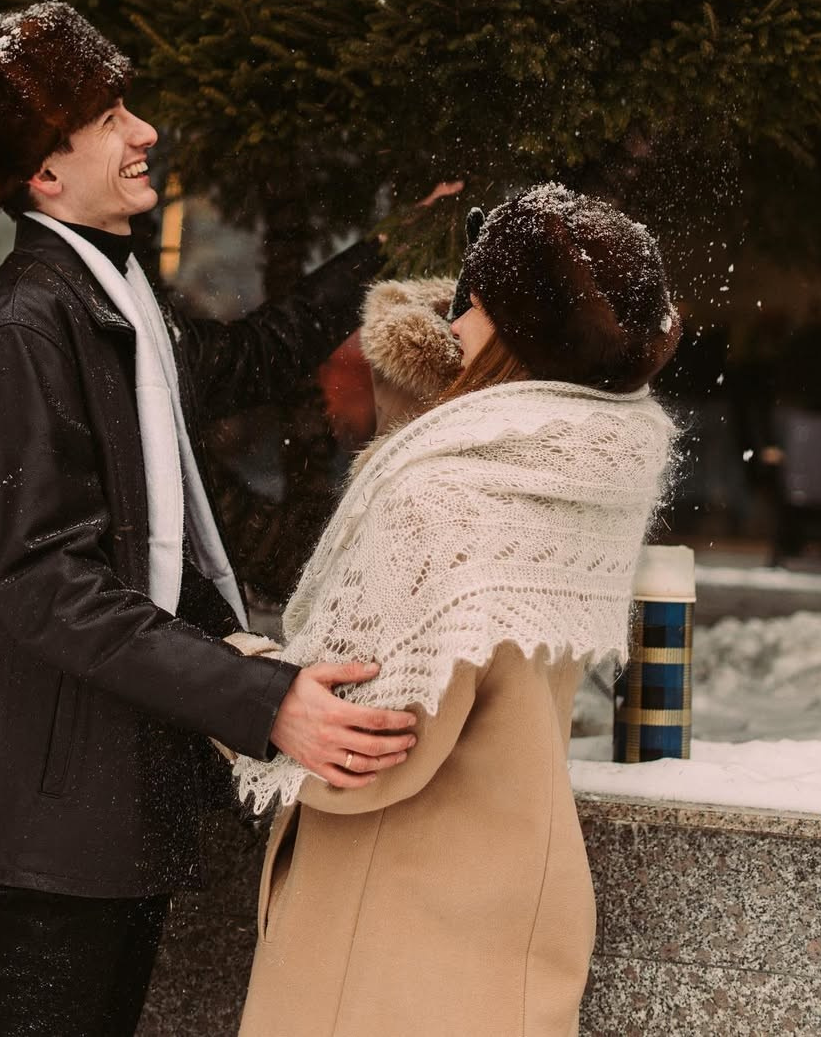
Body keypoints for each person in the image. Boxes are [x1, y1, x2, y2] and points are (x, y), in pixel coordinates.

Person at [0, 0, 424, 1037]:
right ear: (44, 172)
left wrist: (387, 247)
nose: (143, 131)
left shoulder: (114, 300)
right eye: (108, 119)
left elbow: (245, 361)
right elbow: (45, 585)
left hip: (120, 783)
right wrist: (260, 698)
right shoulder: (25, 330)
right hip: (70, 800)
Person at [232, 183, 681, 1037]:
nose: (452, 324)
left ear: (514, 327)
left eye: (470, 305)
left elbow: (362, 759)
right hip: (511, 931)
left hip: (386, 952)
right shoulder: (590, 472)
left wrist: (235, 674)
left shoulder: (443, 498)